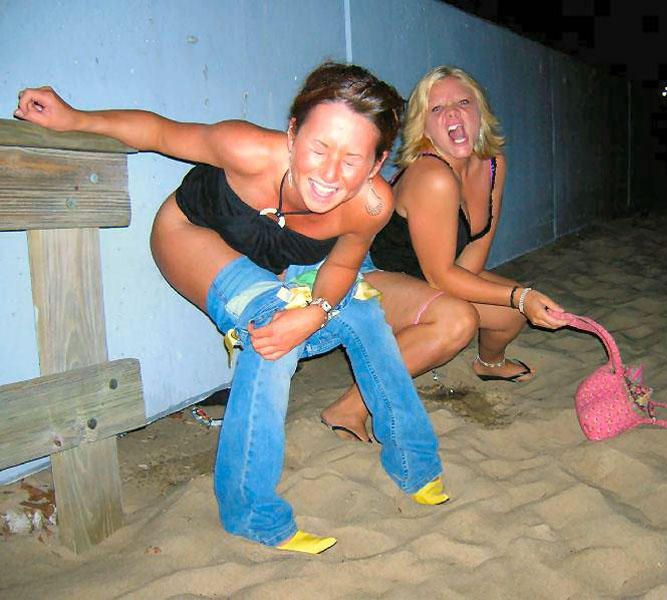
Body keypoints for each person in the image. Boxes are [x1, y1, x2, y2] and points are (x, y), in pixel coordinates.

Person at [15, 62, 447, 555]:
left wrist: (316, 311)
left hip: (280, 265)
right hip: (191, 236)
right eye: (318, 148)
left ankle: (414, 462)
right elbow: (158, 132)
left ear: (376, 163)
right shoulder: (246, 149)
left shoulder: (371, 205)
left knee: (364, 313)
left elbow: (344, 266)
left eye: (352, 159)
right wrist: (74, 117)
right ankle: (250, 512)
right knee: (271, 328)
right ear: (292, 134)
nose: (329, 174)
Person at [320, 65, 569, 443]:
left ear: (480, 112)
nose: (452, 113)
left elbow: (475, 251)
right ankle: (350, 407)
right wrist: (521, 295)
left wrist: (512, 300)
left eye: (463, 103)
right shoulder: (431, 175)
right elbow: (440, 277)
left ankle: (490, 363)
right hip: (367, 275)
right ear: (423, 126)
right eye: (437, 109)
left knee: (509, 314)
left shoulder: (493, 164)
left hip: (429, 276)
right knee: (459, 320)